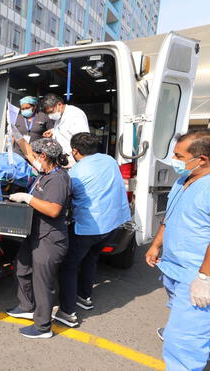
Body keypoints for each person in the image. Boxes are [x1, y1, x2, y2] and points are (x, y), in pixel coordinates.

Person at [145, 130, 210, 370]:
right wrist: (156, 244)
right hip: (174, 268)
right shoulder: (184, 180)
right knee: (187, 325)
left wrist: (204, 277)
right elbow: (170, 217)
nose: (173, 160)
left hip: (197, 275)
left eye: (178, 156)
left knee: (181, 344)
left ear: (201, 158)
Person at [53, 133, 131, 327]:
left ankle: (67, 312)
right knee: (91, 258)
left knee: (68, 267)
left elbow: (63, 200)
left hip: (88, 227)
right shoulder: (109, 160)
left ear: (75, 151)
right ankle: (84, 297)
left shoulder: (75, 173)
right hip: (111, 224)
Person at [6, 138, 72, 339]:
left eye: (36, 156)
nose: (33, 159)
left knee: (43, 283)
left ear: (44, 156)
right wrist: (18, 138)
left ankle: (43, 327)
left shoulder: (58, 179)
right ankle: (27, 306)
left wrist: (28, 198)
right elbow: (29, 153)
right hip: (34, 232)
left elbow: (53, 210)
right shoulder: (45, 172)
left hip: (50, 238)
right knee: (22, 268)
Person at [40, 93, 90, 165]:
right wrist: (53, 131)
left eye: (51, 112)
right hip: (63, 159)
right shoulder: (60, 115)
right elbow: (64, 130)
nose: (50, 116)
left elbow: (83, 140)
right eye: (48, 114)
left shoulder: (75, 115)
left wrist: (74, 161)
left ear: (59, 104)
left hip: (74, 161)